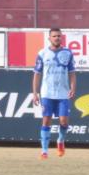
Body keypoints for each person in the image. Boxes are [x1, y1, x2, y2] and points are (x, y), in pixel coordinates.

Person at [32, 28, 76, 159]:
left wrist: (73, 88)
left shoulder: (68, 53)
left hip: (63, 93)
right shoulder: (42, 53)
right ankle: (44, 151)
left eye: (59, 36)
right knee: (46, 121)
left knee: (63, 121)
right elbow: (37, 74)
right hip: (47, 93)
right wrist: (35, 93)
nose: (57, 38)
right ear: (49, 38)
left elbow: (72, 73)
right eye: (54, 36)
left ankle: (60, 141)